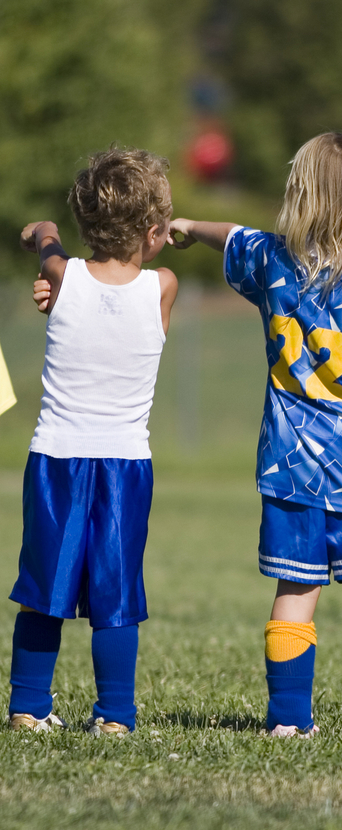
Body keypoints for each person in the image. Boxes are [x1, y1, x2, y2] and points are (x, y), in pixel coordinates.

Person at [168, 132, 342, 740]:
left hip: (287, 467)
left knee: (294, 590)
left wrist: (188, 224)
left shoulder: (272, 262)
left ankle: (287, 722)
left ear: (298, 193)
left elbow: (229, 234)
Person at [7, 147, 178, 735]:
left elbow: (46, 242)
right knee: (116, 591)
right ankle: (115, 717)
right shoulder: (165, 286)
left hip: (55, 457)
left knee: (43, 589)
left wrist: (44, 232)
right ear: (153, 231)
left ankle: (28, 709)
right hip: (125, 464)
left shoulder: (61, 275)